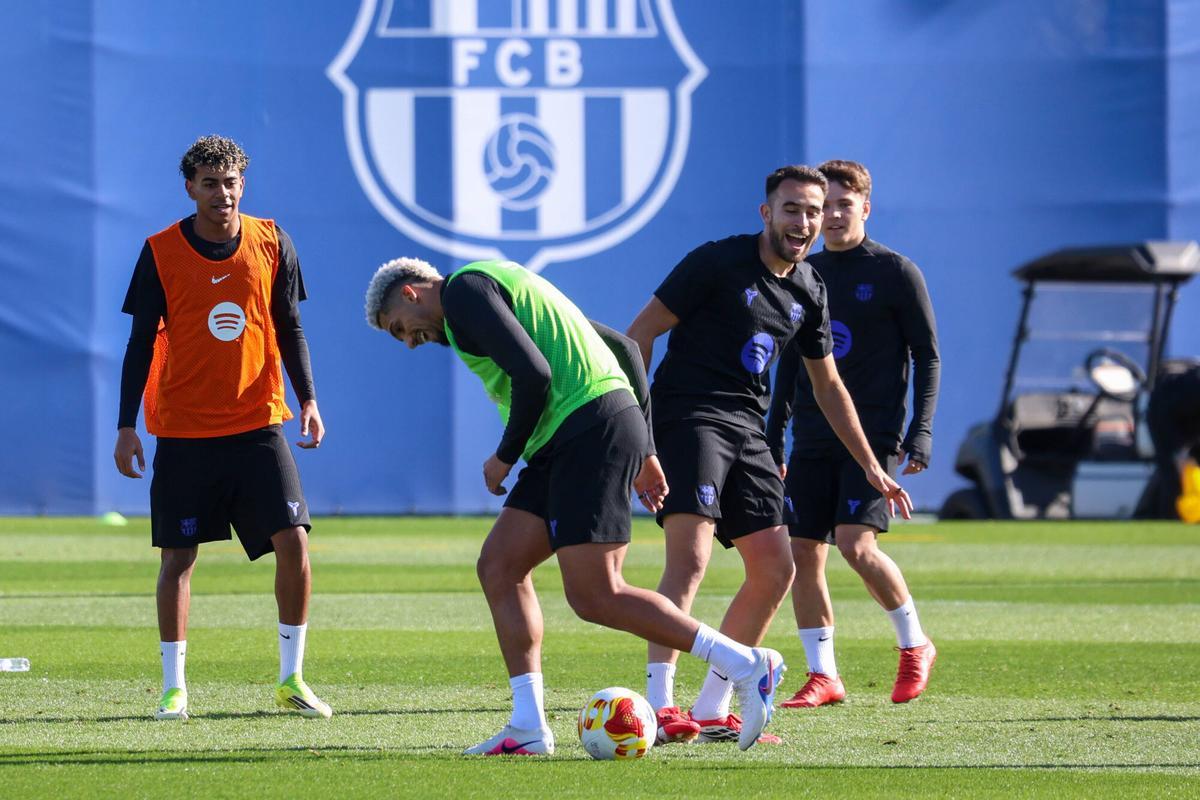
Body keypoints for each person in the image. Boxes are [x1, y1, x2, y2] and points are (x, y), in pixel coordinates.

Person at [363, 257, 786, 754]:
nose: (410, 340)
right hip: (572, 434)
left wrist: (504, 456)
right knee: (500, 566)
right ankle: (528, 726)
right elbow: (626, 349)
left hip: (587, 430)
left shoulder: (463, 294)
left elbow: (534, 375)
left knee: (596, 594)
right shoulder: (495, 284)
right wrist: (646, 447)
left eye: (399, 328)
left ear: (411, 292)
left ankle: (745, 664)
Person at [626, 165, 912, 745]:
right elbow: (638, 336)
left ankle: (710, 707)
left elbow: (828, 385)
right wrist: (642, 436)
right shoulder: (715, 261)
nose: (804, 221)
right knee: (691, 559)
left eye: (814, 210)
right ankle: (659, 705)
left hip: (749, 430)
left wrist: (871, 464)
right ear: (766, 213)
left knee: (778, 567)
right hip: (689, 417)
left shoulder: (809, 287)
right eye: (792, 209)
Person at [114, 135, 330, 722]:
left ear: (243, 185)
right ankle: (173, 687)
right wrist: (126, 425)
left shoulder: (271, 240)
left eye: (231, 181)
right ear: (190, 188)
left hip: (258, 424)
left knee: (296, 543)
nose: (222, 192)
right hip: (183, 431)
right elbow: (138, 345)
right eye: (209, 182)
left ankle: (291, 679)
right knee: (179, 557)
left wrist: (308, 398)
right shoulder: (160, 251)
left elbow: (289, 325)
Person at [766, 159, 940, 709]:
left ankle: (915, 644)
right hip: (813, 437)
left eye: (845, 204)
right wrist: (775, 437)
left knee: (855, 544)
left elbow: (927, 356)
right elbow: (792, 365)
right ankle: (824, 675)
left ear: (866, 207)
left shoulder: (895, 272)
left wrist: (921, 431)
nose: (833, 216)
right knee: (800, 553)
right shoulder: (803, 274)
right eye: (826, 206)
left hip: (875, 436)